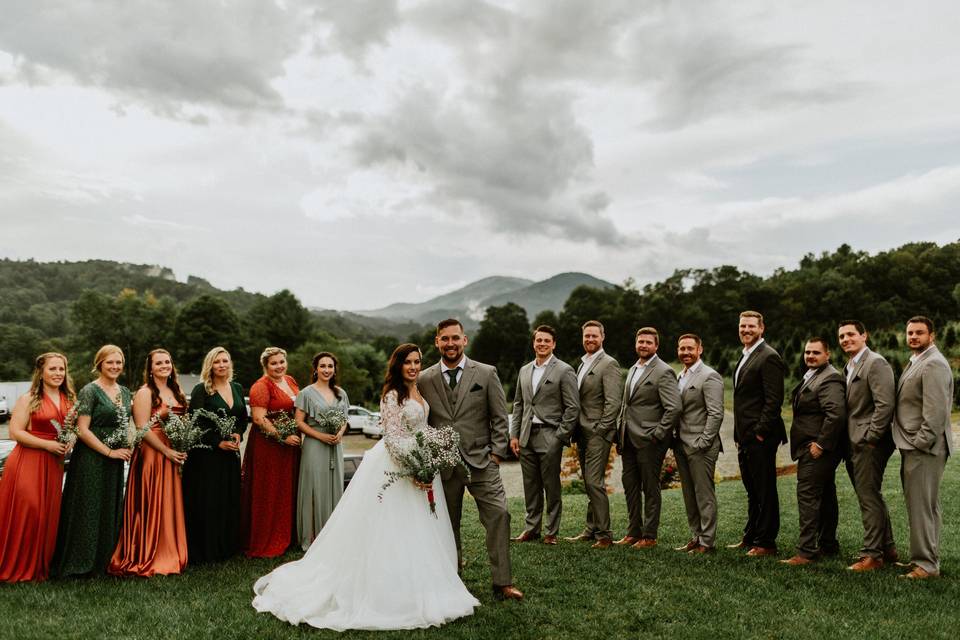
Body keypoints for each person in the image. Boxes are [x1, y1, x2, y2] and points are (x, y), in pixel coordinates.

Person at [252, 344, 479, 631]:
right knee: (391, 527)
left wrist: (436, 447)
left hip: (422, 460)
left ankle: (422, 580)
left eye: (417, 362)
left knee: (420, 526)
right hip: (397, 466)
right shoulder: (392, 395)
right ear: (397, 365)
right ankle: (387, 588)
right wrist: (413, 468)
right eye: (407, 362)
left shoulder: (419, 391)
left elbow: (421, 428)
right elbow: (394, 437)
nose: (413, 367)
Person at [418, 319, 523, 601]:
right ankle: (452, 578)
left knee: (499, 515)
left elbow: (500, 417)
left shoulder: (486, 373)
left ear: (465, 340)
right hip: (443, 464)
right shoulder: (425, 378)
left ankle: (502, 582)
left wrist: (496, 455)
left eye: (455, 338)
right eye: (444, 339)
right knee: (447, 524)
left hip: (481, 461)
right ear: (436, 342)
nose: (450, 344)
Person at [51, 345, 133, 576]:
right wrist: (109, 452)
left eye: (118, 362)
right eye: (110, 362)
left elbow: (127, 424)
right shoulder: (90, 390)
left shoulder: (126, 392)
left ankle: (103, 561)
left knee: (108, 506)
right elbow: (82, 430)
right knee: (87, 508)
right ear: (99, 364)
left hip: (116, 458)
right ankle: (79, 563)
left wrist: (127, 444)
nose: (115, 366)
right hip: (91, 458)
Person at [108, 348, 189, 576]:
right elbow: (142, 429)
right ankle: (149, 553)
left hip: (173, 450)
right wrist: (166, 451)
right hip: (154, 453)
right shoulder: (145, 393)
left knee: (169, 502)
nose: (164, 366)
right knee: (154, 501)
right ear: (150, 368)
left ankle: (170, 550)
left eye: (167, 362)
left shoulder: (176, 389)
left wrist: (182, 444)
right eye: (159, 363)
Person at [0, 353, 74, 582]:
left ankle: (39, 566)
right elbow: (16, 432)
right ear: (41, 372)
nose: (58, 373)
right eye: (52, 369)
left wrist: (71, 440)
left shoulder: (68, 398)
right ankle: (16, 565)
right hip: (28, 461)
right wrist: (48, 444)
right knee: (28, 511)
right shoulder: (29, 398)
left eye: (61, 369)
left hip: (53, 465)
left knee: (46, 515)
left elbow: (72, 428)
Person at [892, 315, 954, 579]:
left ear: (932, 336)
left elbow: (935, 414)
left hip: (925, 449)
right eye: (910, 333)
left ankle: (927, 565)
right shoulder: (918, 361)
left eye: (919, 333)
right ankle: (922, 558)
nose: (913, 337)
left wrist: (919, 444)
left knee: (923, 506)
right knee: (922, 505)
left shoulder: (933, 365)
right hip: (916, 447)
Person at [510, 324, 579, 546]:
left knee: (551, 485)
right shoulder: (524, 370)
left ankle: (551, 531)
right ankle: (532, 528)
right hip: (526, 436)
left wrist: (560, 436)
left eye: (546, 341)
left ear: (553, 344)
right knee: (530, 485)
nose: (542, 344)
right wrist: (514, 435)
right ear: (533, 343)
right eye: (538, 340)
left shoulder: (564, 370)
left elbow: (572, 407)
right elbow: (519, 405)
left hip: (550, 434)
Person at [838, 320, 898, 572]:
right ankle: (887, 547)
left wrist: (871, 437)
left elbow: (885, 404)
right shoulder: (849, 366)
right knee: (871, 494)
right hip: (854, 442)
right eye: (841, 336)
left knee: (868, 497)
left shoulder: (876, 363)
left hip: (869, 443)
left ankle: (872, 555)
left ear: (865, 335)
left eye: (851, 334)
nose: (845, 339)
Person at [781, 338, 846, 566]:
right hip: (813, 447)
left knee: (807, 496)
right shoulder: (814, 375)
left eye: (816, 352)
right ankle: (828, 543)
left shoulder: (830, 378)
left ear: (827, 354)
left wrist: (821, 444)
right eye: (807, 352)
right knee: (826, 494)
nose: (810, 356)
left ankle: (806, 551)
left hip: (817, 449)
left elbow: (835, 414)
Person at [616, 327, 680, 549]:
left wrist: (658, 433)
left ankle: (650, 536)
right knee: (630, 485)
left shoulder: (664, 371)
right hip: (628, 438)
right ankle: (633, 532)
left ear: (656, 346)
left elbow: (673, 408)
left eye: (647, 342)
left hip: (650, 441)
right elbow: (628, 404)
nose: (643, 345)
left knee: (650, 487)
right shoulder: (634, 368)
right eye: (640, 341)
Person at [183, 346, 247, 563]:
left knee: (228, 499)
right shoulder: (202, 390)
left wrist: (238, 434)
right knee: (208, 500)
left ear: (230, 363)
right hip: (207, 455)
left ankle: (226, 547)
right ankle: (205, 550)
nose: (222, 365)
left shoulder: (237, 388)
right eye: (217, 361)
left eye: (225, 361)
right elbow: (196, 421)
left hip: (230, 455)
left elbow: (242, 418)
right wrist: (218, 442)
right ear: (210, 365)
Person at [730, 311, 786, 557]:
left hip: (760, 436)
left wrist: (760, 433)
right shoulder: (746, 355)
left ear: (761, 328)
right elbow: (743, 399)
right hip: (745, 436)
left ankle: (766, 542)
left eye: (751, 326)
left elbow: (774, 400)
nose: (746, 330)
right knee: (752, 489)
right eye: (743, 326)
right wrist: (738, 433)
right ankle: (751, 535)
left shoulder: (768, 356)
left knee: (764, 488)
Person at [565, 320, 622, 549]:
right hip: (582, 433)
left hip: (598, 433)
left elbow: (613, 402)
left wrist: (600, 429)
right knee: (589, 481)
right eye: (586, 336)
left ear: (602, 337)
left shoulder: (609, 364)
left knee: (594, 482)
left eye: (594, 336)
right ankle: (591, 528)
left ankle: (605, 535)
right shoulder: (582, 364)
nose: (590, 339)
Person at [241, 347, 301, 558]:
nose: (279, 366)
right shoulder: (261, 386)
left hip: (291, 446)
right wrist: (281, 436)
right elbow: (259, 419)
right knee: (270, 490)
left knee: (287, 488)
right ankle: (266, 538)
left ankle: (288, 534)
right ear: (266, 366)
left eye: (282, 362)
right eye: (274, 363)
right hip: (269, 446)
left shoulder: (291, 380)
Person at [673, 334, 724, 555]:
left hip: (701, 446)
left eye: (690, 348)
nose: (685, 352)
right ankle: (696, 536)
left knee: (704, 494)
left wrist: (703, 441)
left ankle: (707, 542)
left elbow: (716, 413)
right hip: (681, 444)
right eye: (682, 348)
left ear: (699, 349)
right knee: (689, 494)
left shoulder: (709, 376)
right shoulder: (679, 375)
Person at [294, 351, 348, 550]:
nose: (326, 370)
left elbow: (344, 420)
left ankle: (333, 535)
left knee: (334, 486)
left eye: (330, 366)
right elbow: (299, 422)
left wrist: (340, 432)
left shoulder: (341, 393)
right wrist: (321, 436)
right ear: (315, 369)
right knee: (314, 487)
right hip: (315, 445)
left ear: (334, 370)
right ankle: (311, 537)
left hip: (335, 446)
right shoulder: (306, 393)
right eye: (322, 366)